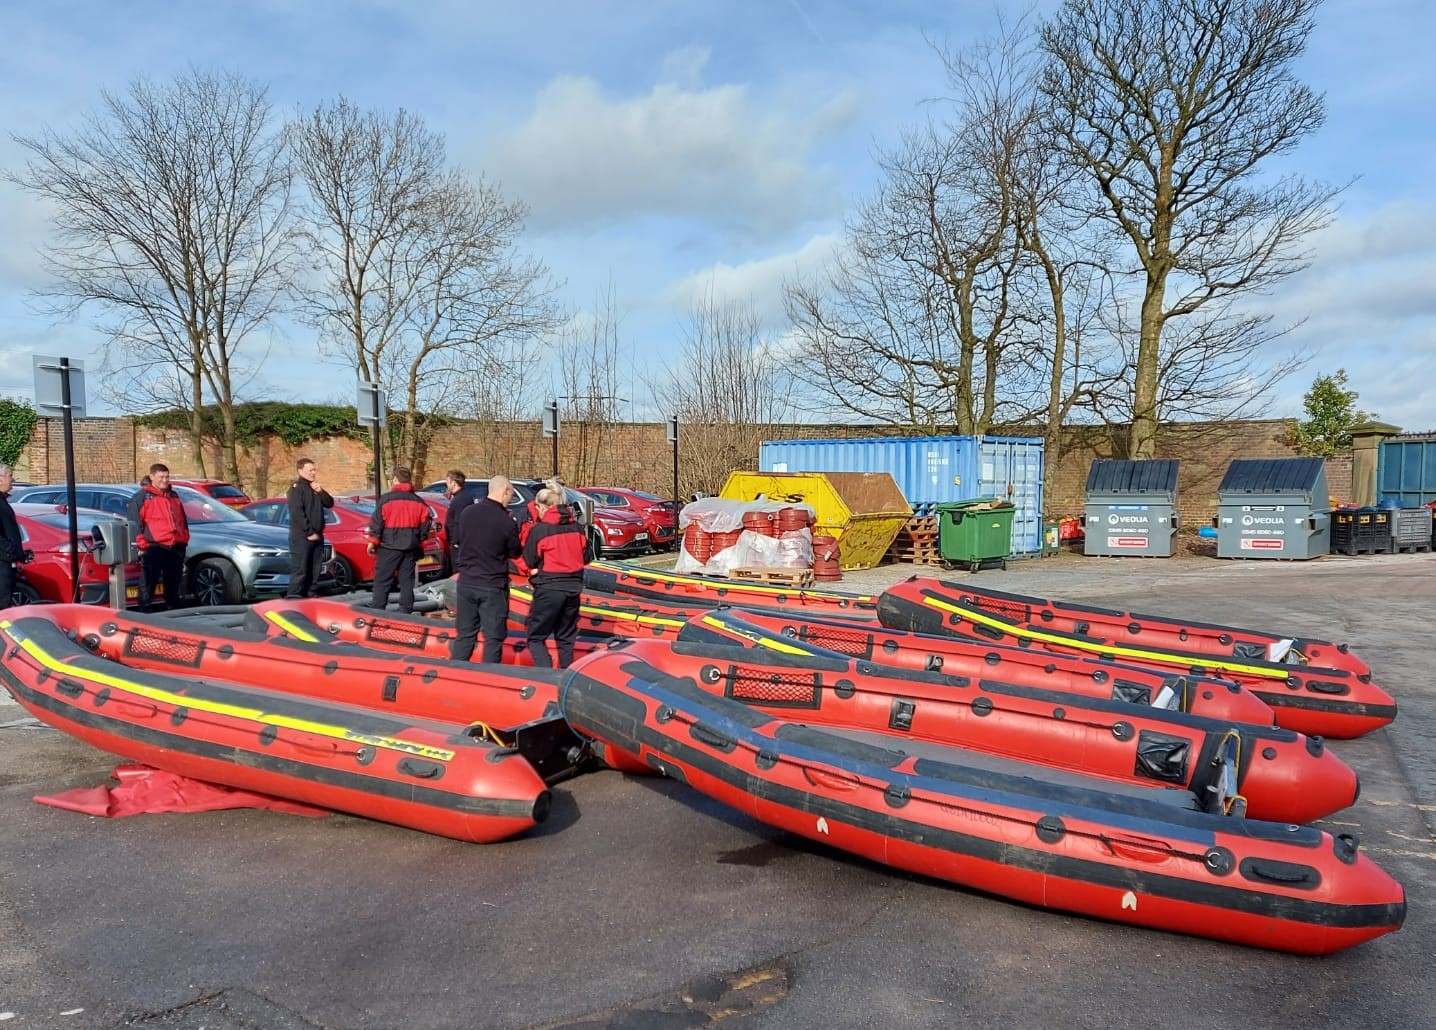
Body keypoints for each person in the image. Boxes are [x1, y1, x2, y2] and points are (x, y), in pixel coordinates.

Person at [450, 475, 519, 663]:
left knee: (464, 635)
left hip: (466, 582)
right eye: (511, 493)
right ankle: (489, 676)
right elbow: (515, 552)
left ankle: (455, 674)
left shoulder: (467, 513)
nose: (511, 498)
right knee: (493, 638)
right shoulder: (506, 522)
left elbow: (457, 540)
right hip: (492, 584)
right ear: (505, 491)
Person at [521, 486, 592, 668]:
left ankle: (546, 673)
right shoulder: (577, 528)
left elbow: (529, 559)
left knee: (535, 637)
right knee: (566, 639)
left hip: (549, 588)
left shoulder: (540, 530)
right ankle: (566, 675)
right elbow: (586, 557)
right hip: (573, 589)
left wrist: (538, 568)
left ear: (543, 507)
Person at [365, 466, 432, 614]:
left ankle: (378, 612)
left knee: (383, 581)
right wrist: (419, 540)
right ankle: (406, 611)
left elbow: (377, 522)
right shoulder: (419, 501)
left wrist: (373, 541)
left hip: (388, 546)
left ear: (395, 480)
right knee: (407, 581)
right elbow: (426, 524)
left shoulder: (386, 500)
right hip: (410, 547)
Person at [130, 463, 189, 610]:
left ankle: (173, 608)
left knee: (174, 580)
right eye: (161, 477)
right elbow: (134, 523)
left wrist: (185, 538)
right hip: (154, 546)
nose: (165, 480)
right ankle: (144, 608)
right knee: (149, 580)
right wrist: (141, 543)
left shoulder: (173, 495)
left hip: (175, 545)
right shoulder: (142, 497)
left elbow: (182, 519)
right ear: (152, 477)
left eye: (167, 477)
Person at [285, 457, 334, 598]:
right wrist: (309, 531)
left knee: (314, 569)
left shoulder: (314, 488)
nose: (313, 473)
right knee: (300, 569)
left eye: (314, 470)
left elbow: (329, 503)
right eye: (310, 470)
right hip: (302, 536)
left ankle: (310, 594)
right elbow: (297, 513)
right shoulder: (297, 489)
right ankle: (293, 597)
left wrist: (320, 491)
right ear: (300, 471)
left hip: (318, 535)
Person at [0, 463, 35, 610]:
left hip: (7, 563)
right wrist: (10, 550)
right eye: (10, 476)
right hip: (2, 564)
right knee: (2, 605)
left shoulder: (3, 501)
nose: (13, 480)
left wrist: (21, 554)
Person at [441, 469, 477, 578]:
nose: (446, 484)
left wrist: (456, 541)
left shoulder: (462, 499)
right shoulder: (459, 497)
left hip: (459, 544)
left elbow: (460, 521)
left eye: (447, 481)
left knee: (458, 572)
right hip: (458, 542)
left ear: (453, 482)